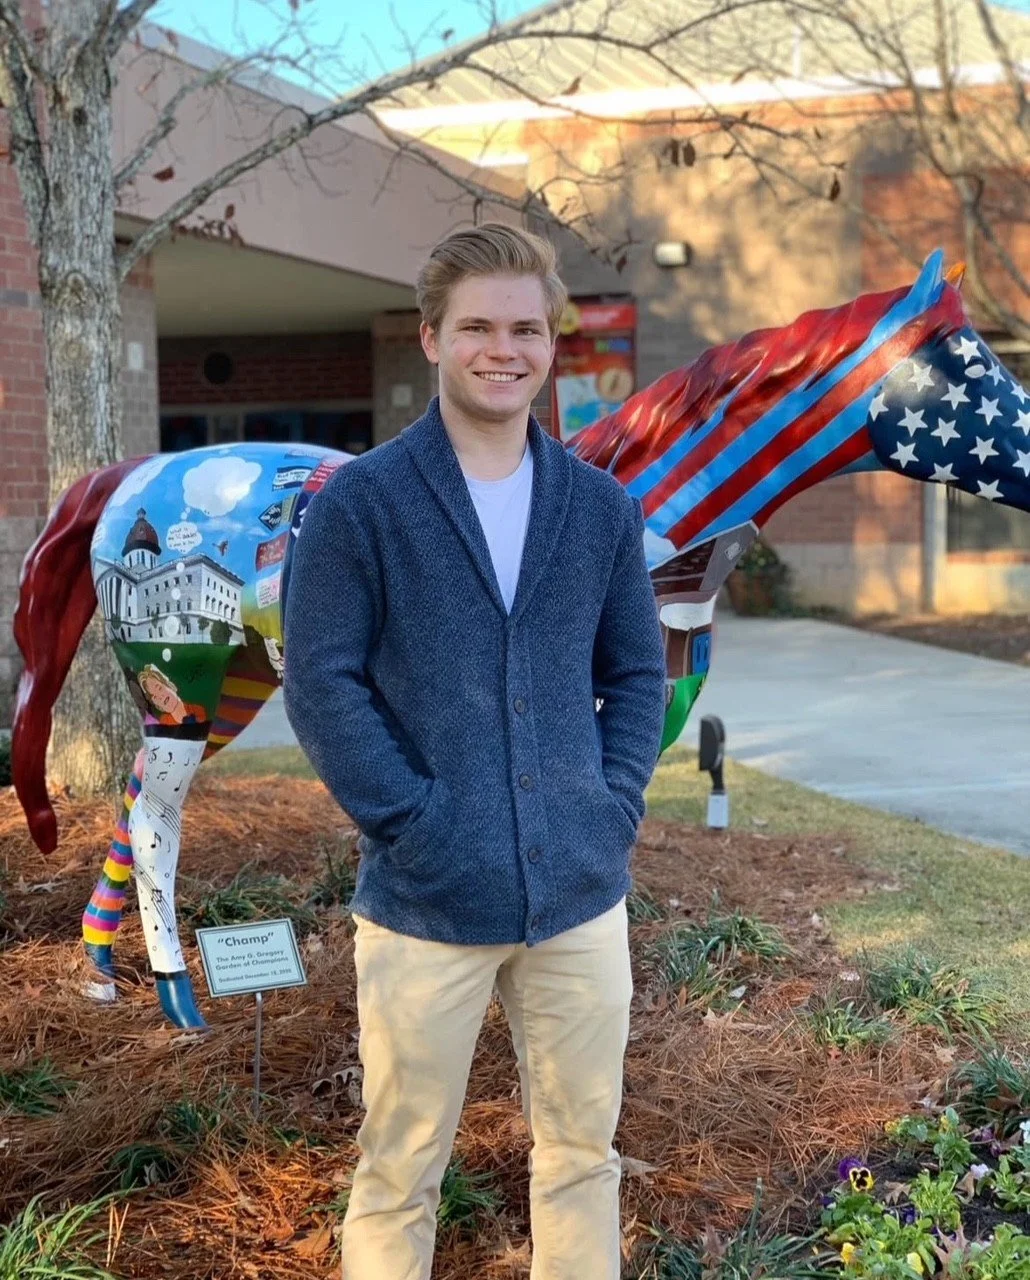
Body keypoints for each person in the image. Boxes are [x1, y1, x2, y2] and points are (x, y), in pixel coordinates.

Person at [282, 222, 667, 1280]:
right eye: (480, 327)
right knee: (400, 1164)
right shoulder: (362, 501)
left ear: (552, 343)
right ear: (431, 339)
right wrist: (413, 820)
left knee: (583, 1157)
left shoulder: (597, 506)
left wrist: (612, 798)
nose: (506, 348)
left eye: (527, 328)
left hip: (580, 895)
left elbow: (638, 675)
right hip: (425, 904)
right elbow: (320, 681)